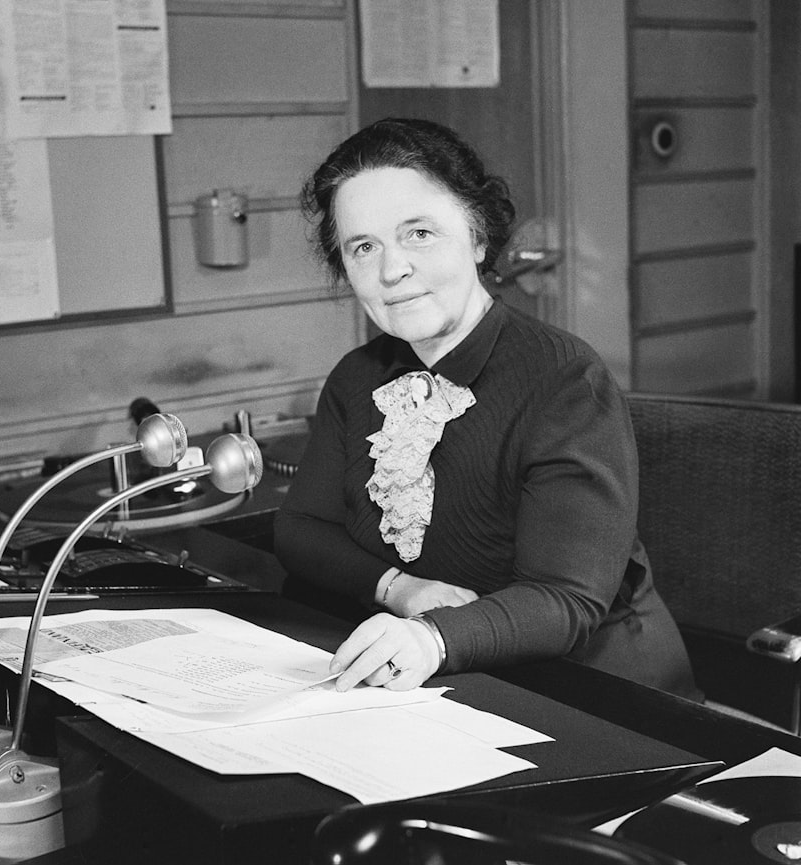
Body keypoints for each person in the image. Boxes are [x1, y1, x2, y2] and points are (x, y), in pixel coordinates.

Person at [273, 117, 699, 701]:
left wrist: (430, 638)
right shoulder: (356, 379)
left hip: (600, 693)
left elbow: (566, 599)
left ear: (478, 238)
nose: (392, 270)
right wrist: (400, 590)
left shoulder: (566, 380)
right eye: (363, 247)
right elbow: (301, 529)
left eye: (419, 233)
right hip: (448, 689)